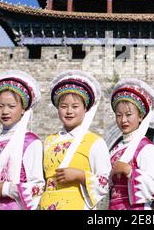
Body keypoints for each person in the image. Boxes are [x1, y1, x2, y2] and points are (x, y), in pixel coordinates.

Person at [0, 71, 45, 210]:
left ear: (23, 109)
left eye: (11, 106)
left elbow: (38, 187)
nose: (5, 111)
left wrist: (6, 189)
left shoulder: (30, 142)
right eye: (0, 106)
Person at [40, 70, 111, 210]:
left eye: (75, 106)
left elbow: (106, 182)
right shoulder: (49, 141)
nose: (69, 111)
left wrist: (81, 176)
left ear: (85, 109)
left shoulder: (94, 142)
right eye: (63, 106)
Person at [108, 78, 154, 210]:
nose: (123, 120)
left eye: (128, 114)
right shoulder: (115, 150)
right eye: (119, 115)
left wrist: (129, 170)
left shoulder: (147, 148)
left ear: (140, 116)